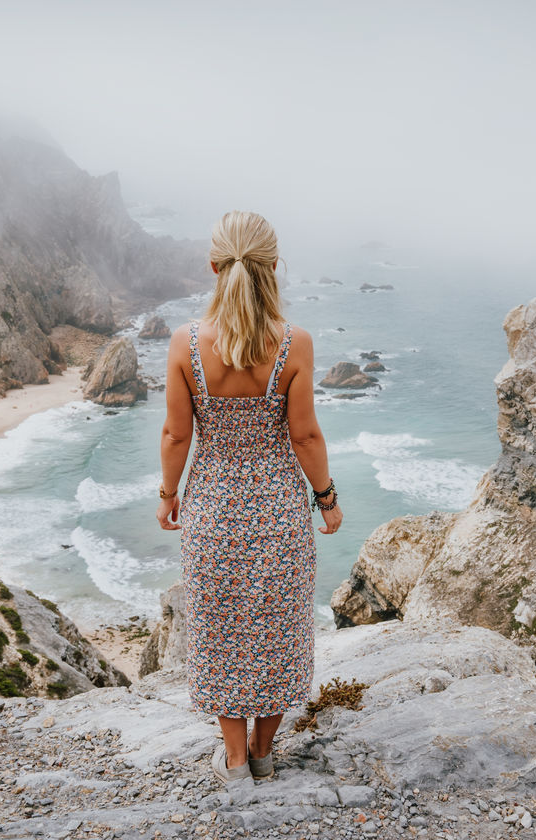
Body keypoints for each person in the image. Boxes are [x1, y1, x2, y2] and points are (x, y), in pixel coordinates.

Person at [156, 210, 343, 784]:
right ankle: (265, 751)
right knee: (278, 628)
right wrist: (328, 499)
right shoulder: (295, 344)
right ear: (274, 267)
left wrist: (168, 495)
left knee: (223, 632)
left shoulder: (186, 343)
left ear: (213, 266)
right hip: (279, 511)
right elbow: (305, 435)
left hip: (213, 510)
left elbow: (176, 433)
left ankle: (234, 761)